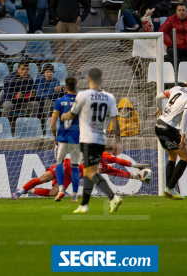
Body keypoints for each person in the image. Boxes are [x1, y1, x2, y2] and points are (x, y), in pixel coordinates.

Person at [61, 68, 123, 213]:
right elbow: (115, 122)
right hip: (100, 139)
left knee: (90, 172)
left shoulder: (82, 95)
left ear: (88, 79)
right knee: (91, 170)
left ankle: (113, 197)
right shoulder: (109, 97)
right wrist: (118, 141)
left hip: (87, 139)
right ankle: (84, 205)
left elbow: (71, 115)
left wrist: (63, 116)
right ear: (101, 80)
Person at [12, 146, 150, 200]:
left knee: (54, 193)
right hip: (65, 166)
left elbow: (119, 173)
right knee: (44, 178)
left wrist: (136, 176)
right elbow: (120, 162)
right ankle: (19, 191)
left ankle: (28, 191)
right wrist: (138, 166)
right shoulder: (102, 156)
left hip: (70, 176)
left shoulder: (105, 167)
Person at [154, 74, 187, 199]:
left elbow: (158, 97)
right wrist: (184, 135)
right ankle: (170, 188)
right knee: (186, 157)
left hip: (159, 125)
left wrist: (159, 109)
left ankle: (169, 191)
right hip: (169, 128)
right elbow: (186, 115)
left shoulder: (176, 89)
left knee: (172, 156)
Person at [50, 77, 80, 202]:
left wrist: (54, 135)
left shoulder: (59, 101)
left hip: (62, 137)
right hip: (76, 138)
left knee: (59, 163)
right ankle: (74, 195)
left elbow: (52, 124)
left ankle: (61, 190)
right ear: (77, 87)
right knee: (74, 166)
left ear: (65, 87)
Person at [35, 63, 65, 127]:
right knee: (49, 103)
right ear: (43, 73)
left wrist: (63, 90)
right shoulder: (39, 81)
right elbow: (39, 95)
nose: (49, 74)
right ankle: (47, 127)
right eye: (47, 72)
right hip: (42, 102)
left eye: (51, 72)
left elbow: (59, 94)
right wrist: (53, 90)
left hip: (54, 100)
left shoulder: (56, 81)